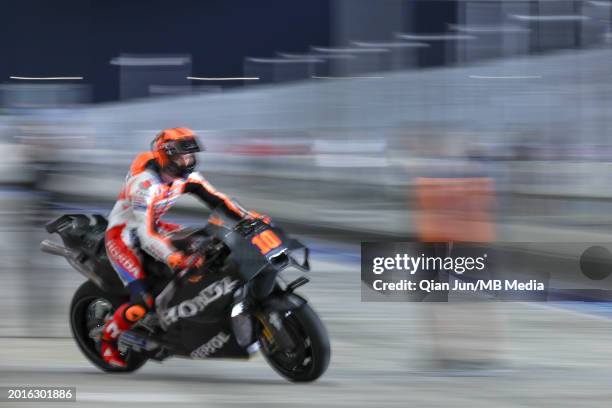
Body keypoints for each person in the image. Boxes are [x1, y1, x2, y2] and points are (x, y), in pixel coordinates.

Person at [101, 127, 263, 367]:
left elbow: (218, 199)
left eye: (190, 156)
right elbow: (145, 235)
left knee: (206, 247)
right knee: (141, 303)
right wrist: (173, 257)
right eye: (181, 156)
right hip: (124, 236)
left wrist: (248, 218)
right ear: (165, 156)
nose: (187, 161)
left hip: (155, 227)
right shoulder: (144, 184)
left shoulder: (187, 177)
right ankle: (108, 340)